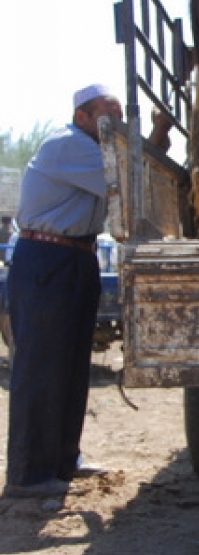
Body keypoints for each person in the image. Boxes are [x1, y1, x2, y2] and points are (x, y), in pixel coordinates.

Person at [3, 84, 123, 500]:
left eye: (119, 114)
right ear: (82, 118)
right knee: (40, 366)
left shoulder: (93, 148)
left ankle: (63, 460)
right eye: (108, 114)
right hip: (46, 260)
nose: (116, 122)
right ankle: (29, 476)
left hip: (76, 256)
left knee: (71, 365)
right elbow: (121, 179)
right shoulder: (69, 145)